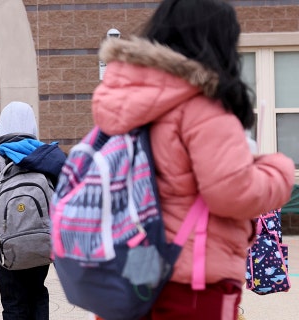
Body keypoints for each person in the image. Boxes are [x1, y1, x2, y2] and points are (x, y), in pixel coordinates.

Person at [91, 0, 295, 318]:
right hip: (189, 281)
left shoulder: (128, 101)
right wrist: (278, 168)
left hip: (132, 272)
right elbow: (232, 192)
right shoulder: (202, 108)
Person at [0, 101, 66, 320]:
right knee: (38, 294)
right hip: (42, 241)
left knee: (13, 300)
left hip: (7, 244)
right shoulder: (47, 156)